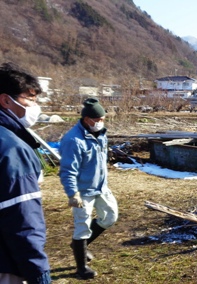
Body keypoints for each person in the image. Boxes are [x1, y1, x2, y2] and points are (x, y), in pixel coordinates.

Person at [0, 62, 52, 283]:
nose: (35, 106)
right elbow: (22, 219)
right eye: (29, 98)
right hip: (6, 261)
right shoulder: (11, 149)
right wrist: (39, 274)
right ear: (5, 100)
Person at [59, 98, 118, 280]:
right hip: (83, 191)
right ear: (87, 119)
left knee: (110, 216)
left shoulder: (100, 134)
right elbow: (68, 170)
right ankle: (81, 268)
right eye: (98, 119)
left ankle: (80, 245)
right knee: (82, 226)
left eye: (103, 119)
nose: (101, 122)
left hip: (101, 187)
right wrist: (72, 193)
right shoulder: (73, 140)